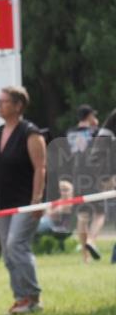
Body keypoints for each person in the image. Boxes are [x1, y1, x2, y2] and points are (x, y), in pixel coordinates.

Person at [0, 86, 47, 314]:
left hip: (26, 200)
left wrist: (37, 199)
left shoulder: (31, 133)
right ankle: (20, 298)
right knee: (9, 254)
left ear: (18, 105)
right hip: (3, 202)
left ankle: (33, 297)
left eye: (4, 101)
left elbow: (40, 168)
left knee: (16, 245)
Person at [66, 104, 105, 262]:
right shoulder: (95, 132)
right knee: (100, 213)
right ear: (89, 116)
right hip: (93, 175)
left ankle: (85, 256)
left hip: (77, 176)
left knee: (82, 215)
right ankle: (91, 240)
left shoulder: (70, 133)